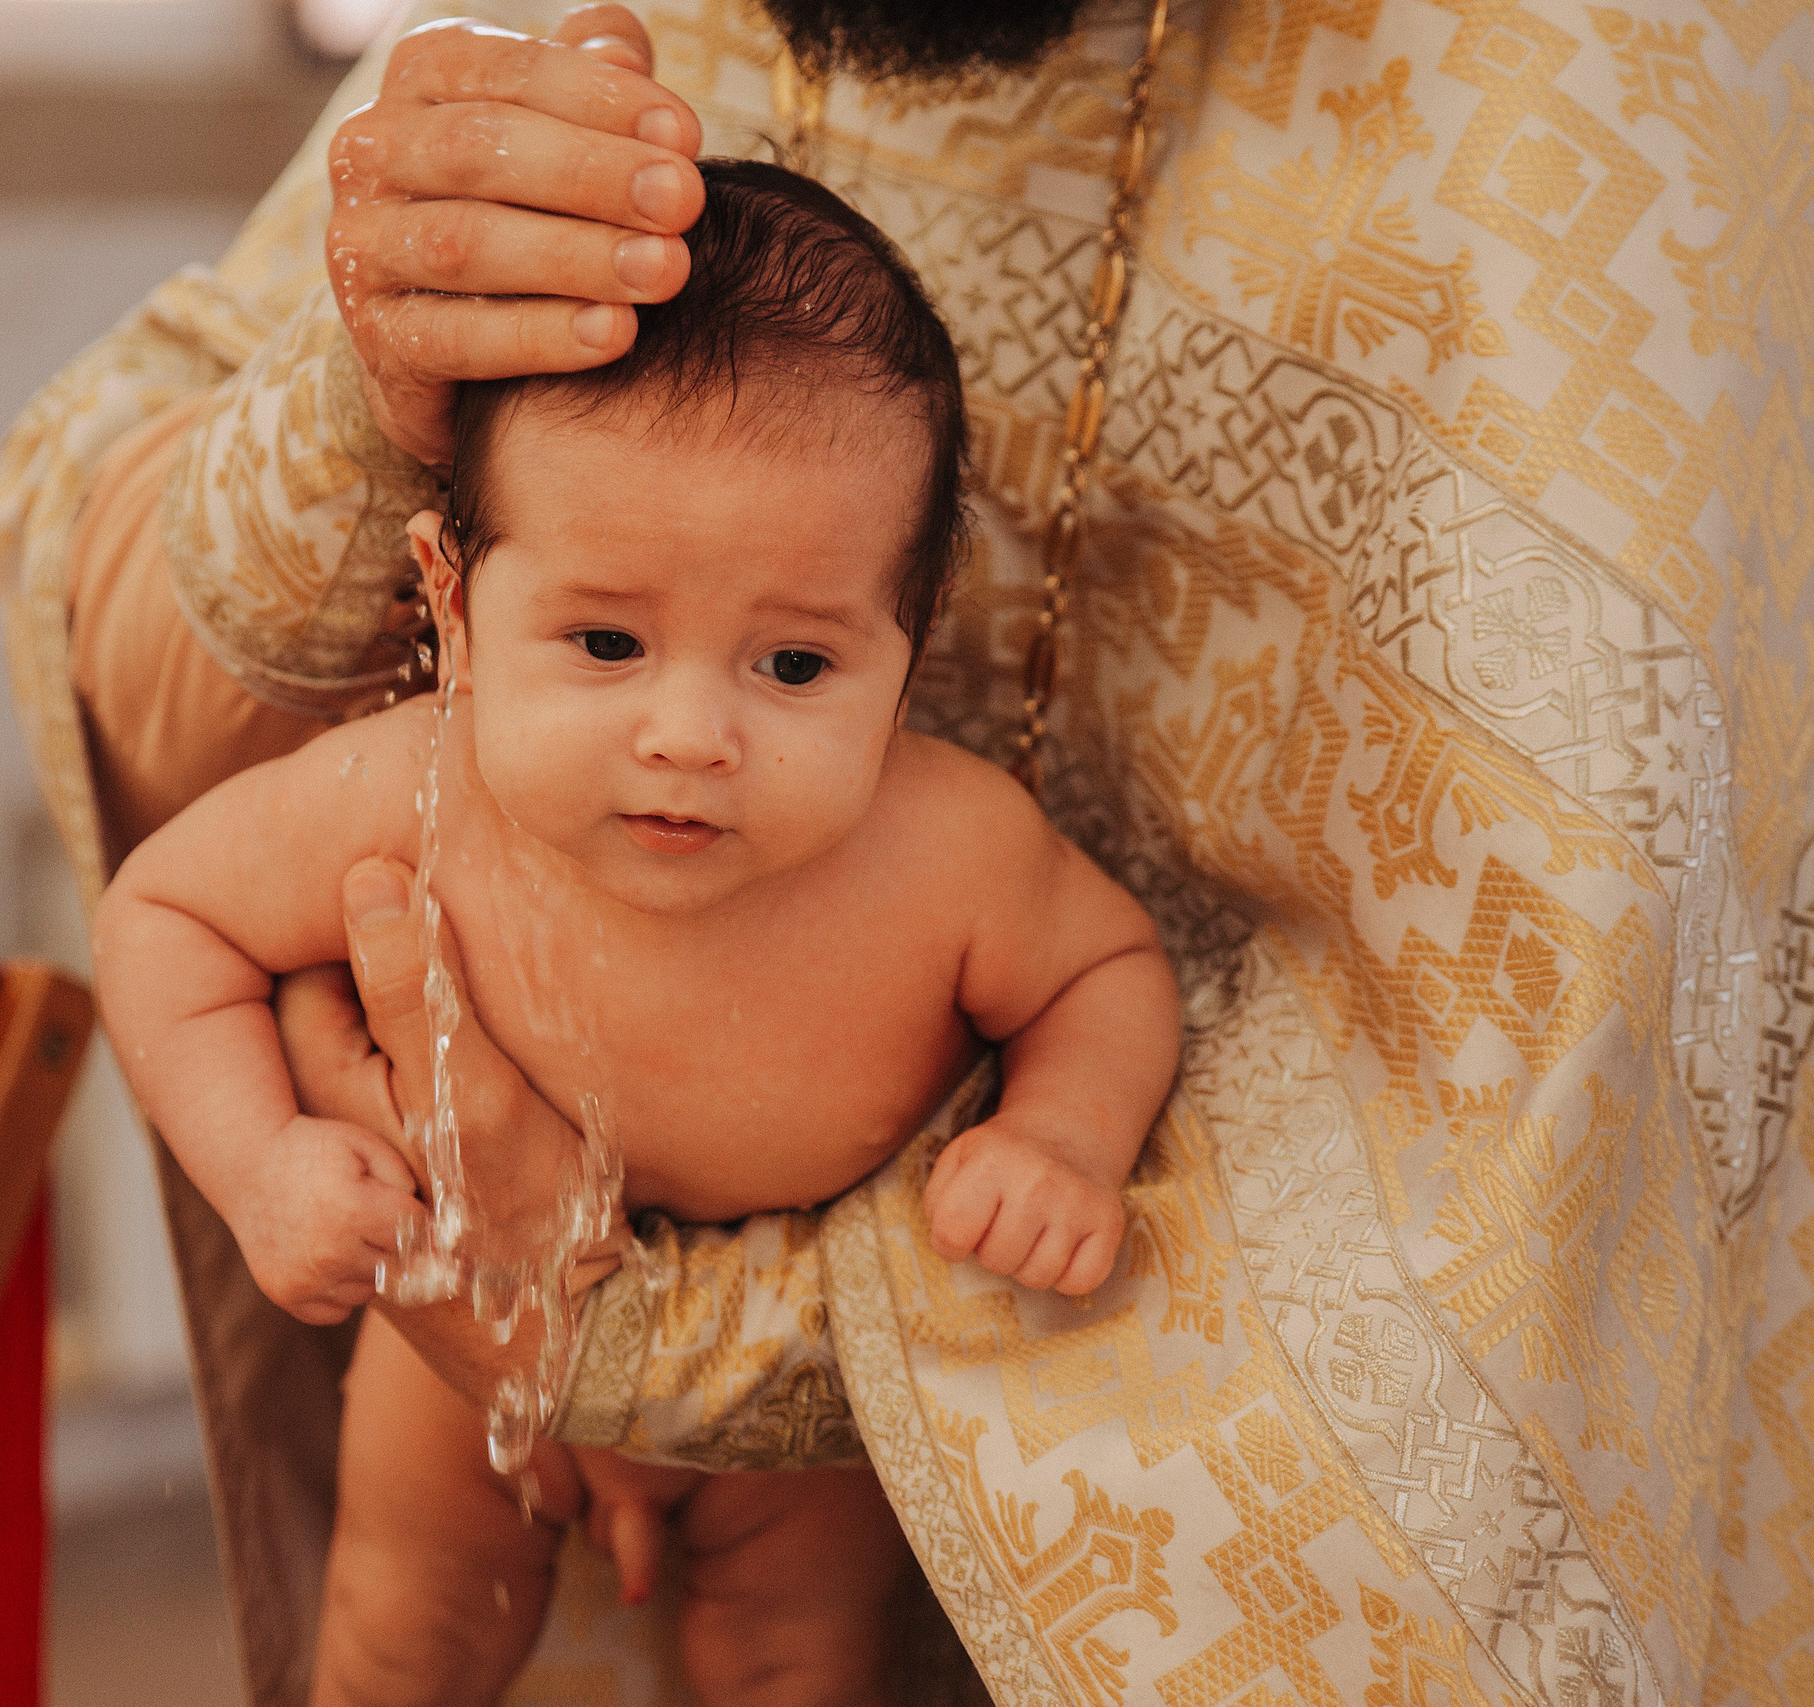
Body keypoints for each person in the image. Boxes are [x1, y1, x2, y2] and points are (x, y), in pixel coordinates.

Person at [0, 0, 1814, 1698]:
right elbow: (119, 569)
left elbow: (1553, 1115)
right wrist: (358, 399)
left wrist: (684, 1338)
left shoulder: (1656, 78)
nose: (687, 727)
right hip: (496, 1406)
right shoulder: (665, 49)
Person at [91, 161, 1182, 1704]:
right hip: (462, 1340)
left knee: (795, 1665)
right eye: (605, 642)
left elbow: (1107, 969)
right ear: (455, 610)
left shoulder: (948, 854)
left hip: (796, 1403)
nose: (691, 732)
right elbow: (163, 920)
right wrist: (260, 1161)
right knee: (398, 1644)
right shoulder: (405, 794)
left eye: (793, 666)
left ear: (908, 639)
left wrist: (1064, 1133)